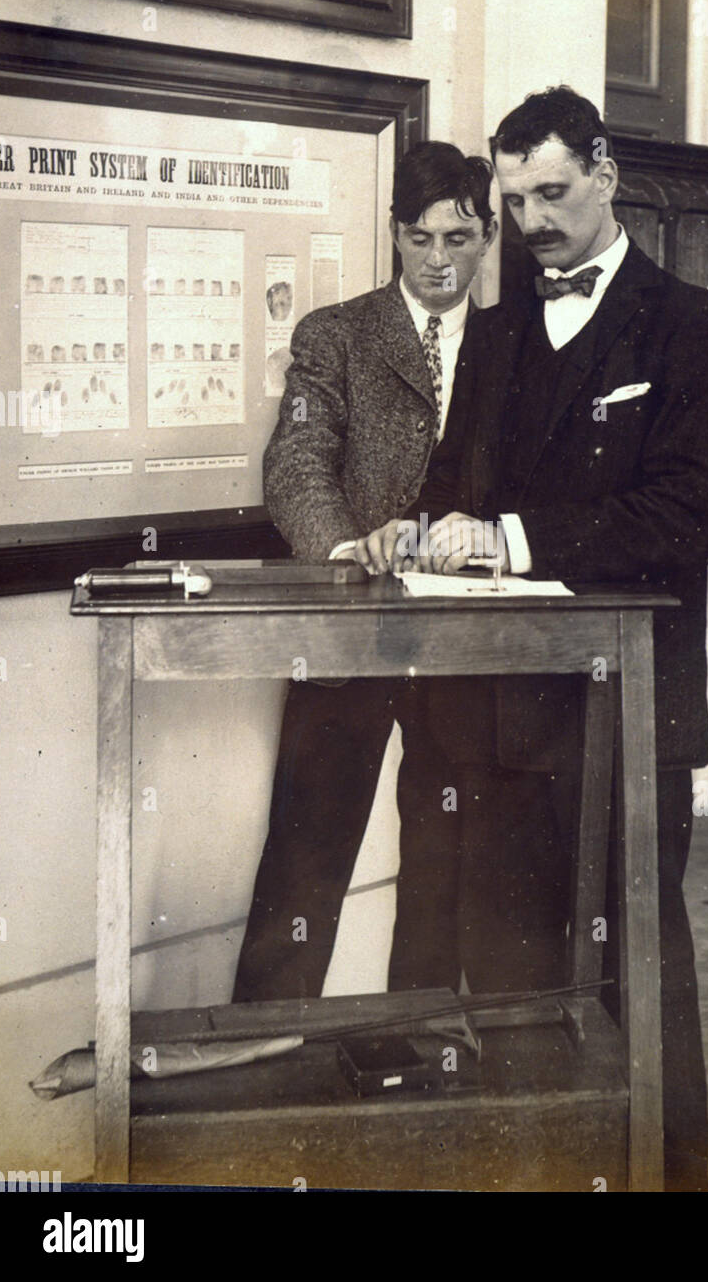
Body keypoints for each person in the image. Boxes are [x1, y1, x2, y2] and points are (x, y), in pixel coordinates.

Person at [359, 87, 708, 1190]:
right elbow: (455, 485)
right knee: (515, 981)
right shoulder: (493, 335)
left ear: (607, 173)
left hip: (626, 713)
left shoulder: (696, 325)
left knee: (637, 969)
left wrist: (513, 536)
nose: (531, 220)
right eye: (513, 197)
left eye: (551, 192)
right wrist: (419, 525)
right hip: (498, 715)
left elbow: (689, 512)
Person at [232, 141, 498, 1004]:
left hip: (467, 644)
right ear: (394, 236)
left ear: (488, 237)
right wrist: (346, 550)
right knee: (307, 852)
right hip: (350, 630)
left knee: (446, 857)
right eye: (420, 239)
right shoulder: (336, 335)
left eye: (459, 240)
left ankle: (421, 1038)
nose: (439, 260)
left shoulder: (516, 346)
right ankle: (262, 1039)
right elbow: (298, 463)